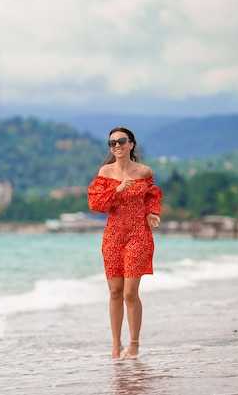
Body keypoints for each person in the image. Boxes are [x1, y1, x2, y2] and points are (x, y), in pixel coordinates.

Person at [87, 127, 162, 360]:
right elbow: (96, 203)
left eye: (121, 141)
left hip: (138, 234)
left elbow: (152, 194)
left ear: (131, 144)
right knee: (114, 291)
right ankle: (115, 345)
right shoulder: (105, 172)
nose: (117, 146)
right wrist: (117, 190)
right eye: (112, 143)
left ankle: (134, 344)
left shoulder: (143, 171)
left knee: (130, 293)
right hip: (113, 236)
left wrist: (151, 213)